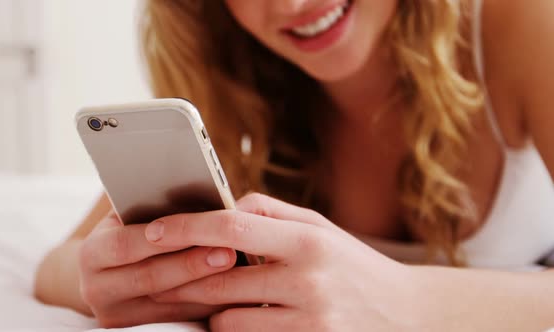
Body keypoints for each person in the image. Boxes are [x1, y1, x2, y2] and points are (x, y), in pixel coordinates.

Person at [34, 0, 554, 330]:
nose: (293, 4)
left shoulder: (523, 21)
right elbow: (57, 265)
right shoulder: (236, 75)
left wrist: (408, 299)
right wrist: (110, 280)